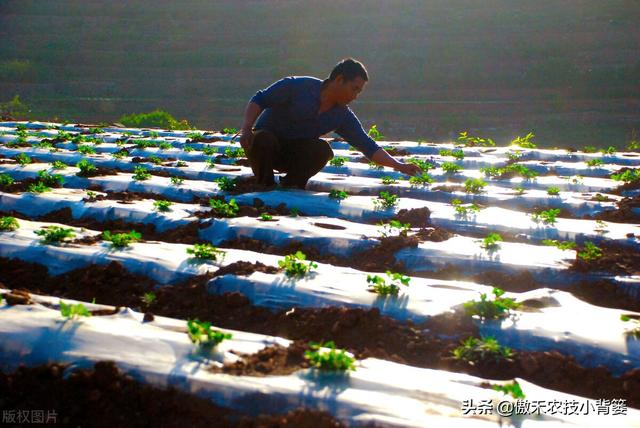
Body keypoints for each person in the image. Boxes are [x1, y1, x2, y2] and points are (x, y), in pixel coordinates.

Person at [239, 58, 422, 189]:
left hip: (292, 153)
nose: (355, 96)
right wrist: (247, 128)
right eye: (354, 89)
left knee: (323, 150)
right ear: (339, 80)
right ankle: (264, 185)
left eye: (358, 92)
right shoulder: (297, 87)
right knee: (264, 139)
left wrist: (400, 166)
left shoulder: (341, 114)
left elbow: (367, 145)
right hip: (264, 148)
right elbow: (259, 99)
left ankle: (291, 186)